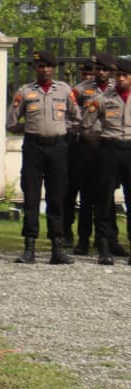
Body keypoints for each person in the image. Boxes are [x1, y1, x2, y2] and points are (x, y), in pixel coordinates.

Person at [6, 50, 79, 264]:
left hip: (58, 148)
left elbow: (77, 117)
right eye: (41, 66)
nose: (45, 70)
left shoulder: (64, 90)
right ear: (35, 68)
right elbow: (11, 121)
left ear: (54, 68)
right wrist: (28, 128)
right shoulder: (25, 91)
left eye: (48, 66)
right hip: (34, 147)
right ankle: (29, 248)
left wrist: (62, 129)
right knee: (31, 197)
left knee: (57, 197)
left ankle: (57, 248)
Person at [68, 52, 123, 256]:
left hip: (109, 148)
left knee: (107, 197)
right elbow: (74, 117)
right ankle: (83, 240)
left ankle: (110, 240)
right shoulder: (80, 90)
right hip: (87, 149)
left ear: (111, 72)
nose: (100, 72)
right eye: (97, 69)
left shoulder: (115, 91)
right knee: (87, 196)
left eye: (105, 69)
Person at [82, 57, 131, 265]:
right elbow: (87, 123)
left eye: (124, 75)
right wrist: (100, 143)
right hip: (109, 148)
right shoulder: (103, 98)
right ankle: (104, 246)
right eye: (117, 75)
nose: (120, 79)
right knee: (104, 199)